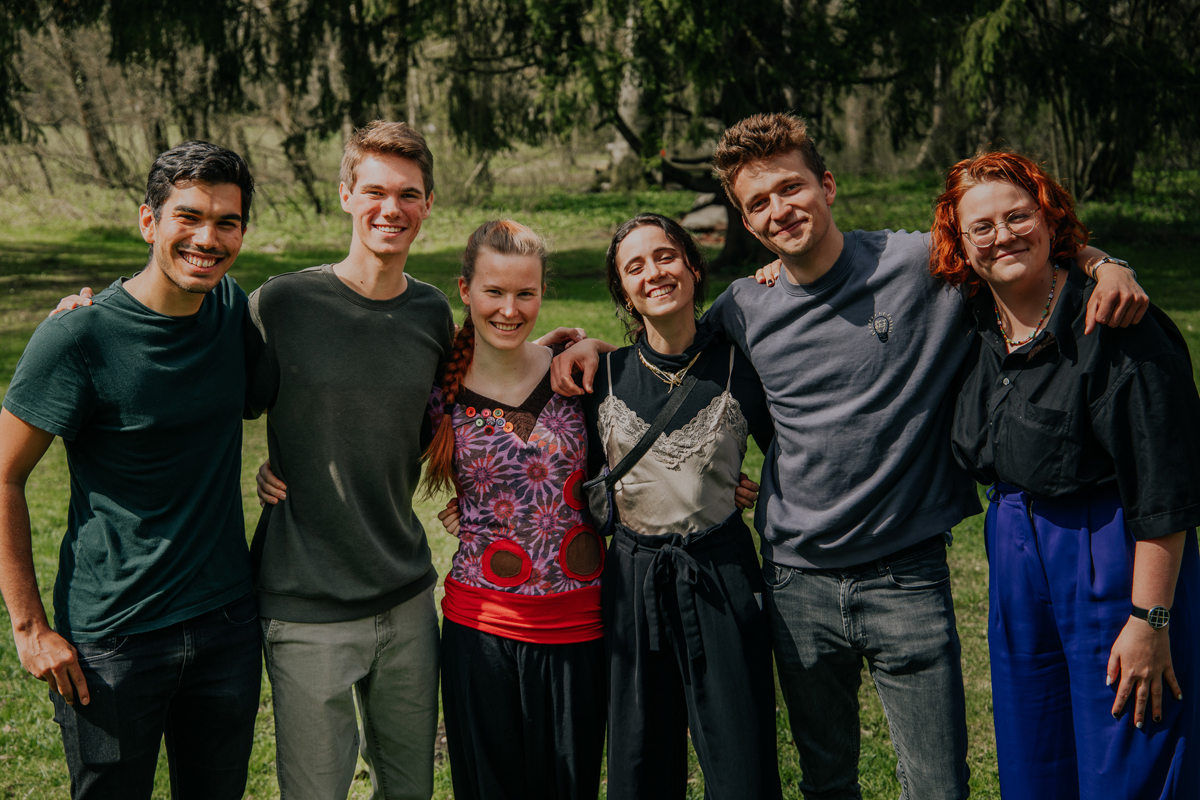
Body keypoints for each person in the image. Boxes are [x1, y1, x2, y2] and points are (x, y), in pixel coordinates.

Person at [553, 114, 1150, 799]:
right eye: (759, 203)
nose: (780, 210)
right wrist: (589, 349)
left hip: (910, 577)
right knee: (827, 781)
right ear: (747, 223)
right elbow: (670, 346)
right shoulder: (744, 306)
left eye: (791, 187)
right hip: (795, 581)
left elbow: (1011, 246)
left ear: (828, 185)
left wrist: (1105, 263)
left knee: (936, 786)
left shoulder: (920, 266)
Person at [246, 122, 583, 800]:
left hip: (405, 598)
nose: (389, 208)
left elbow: (484, 383)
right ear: (345, 194)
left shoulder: (431, 313)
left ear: (427, 204)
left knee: (412, 791)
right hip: (306, 600)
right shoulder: (282, 303)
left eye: (407, 194)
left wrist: (576, 347)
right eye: (373, 191)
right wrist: (92, 310)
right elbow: (203, 399)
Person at [930, 150, 1200, 799]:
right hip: (1016, 551)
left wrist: (1149, 619)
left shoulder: (1118, 324)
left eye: (1018, 216)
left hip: (1108, 549)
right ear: (962, 247)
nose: (1004, 236)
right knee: (1034, 745)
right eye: (983, 227)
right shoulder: (973, 321)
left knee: (1129, 738)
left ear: (1050, 220)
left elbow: (1166, 490)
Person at [0, 142, 261, 799]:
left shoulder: (232, 312)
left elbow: (303, 392)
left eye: (226, 222)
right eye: (189, 217)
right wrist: (30, 630)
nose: (207, 238)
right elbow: (2, 475)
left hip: (225, 622)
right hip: (114, 641)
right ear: (149, 222)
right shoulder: (77, 337)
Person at [584, 214, 778, 799]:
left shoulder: (742, 366)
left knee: (742, 762)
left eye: (666, 256)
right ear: (623, 290)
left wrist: (756, 490)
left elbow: (801, 459)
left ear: (694, 266)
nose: (654, 273)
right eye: (635, 266)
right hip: (632, 580)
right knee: (640, 763)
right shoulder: (603, 376)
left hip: (721, 572)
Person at [422, 219, 607, 799]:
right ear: (465, 290)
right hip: (480, 629)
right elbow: (365, 454)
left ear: (542, 294)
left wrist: (723, 481)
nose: (509, 308)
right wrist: (280, 471)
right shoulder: (438, 392)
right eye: (494, 291)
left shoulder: (579, 376)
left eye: (525, 293)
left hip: (580, 625)